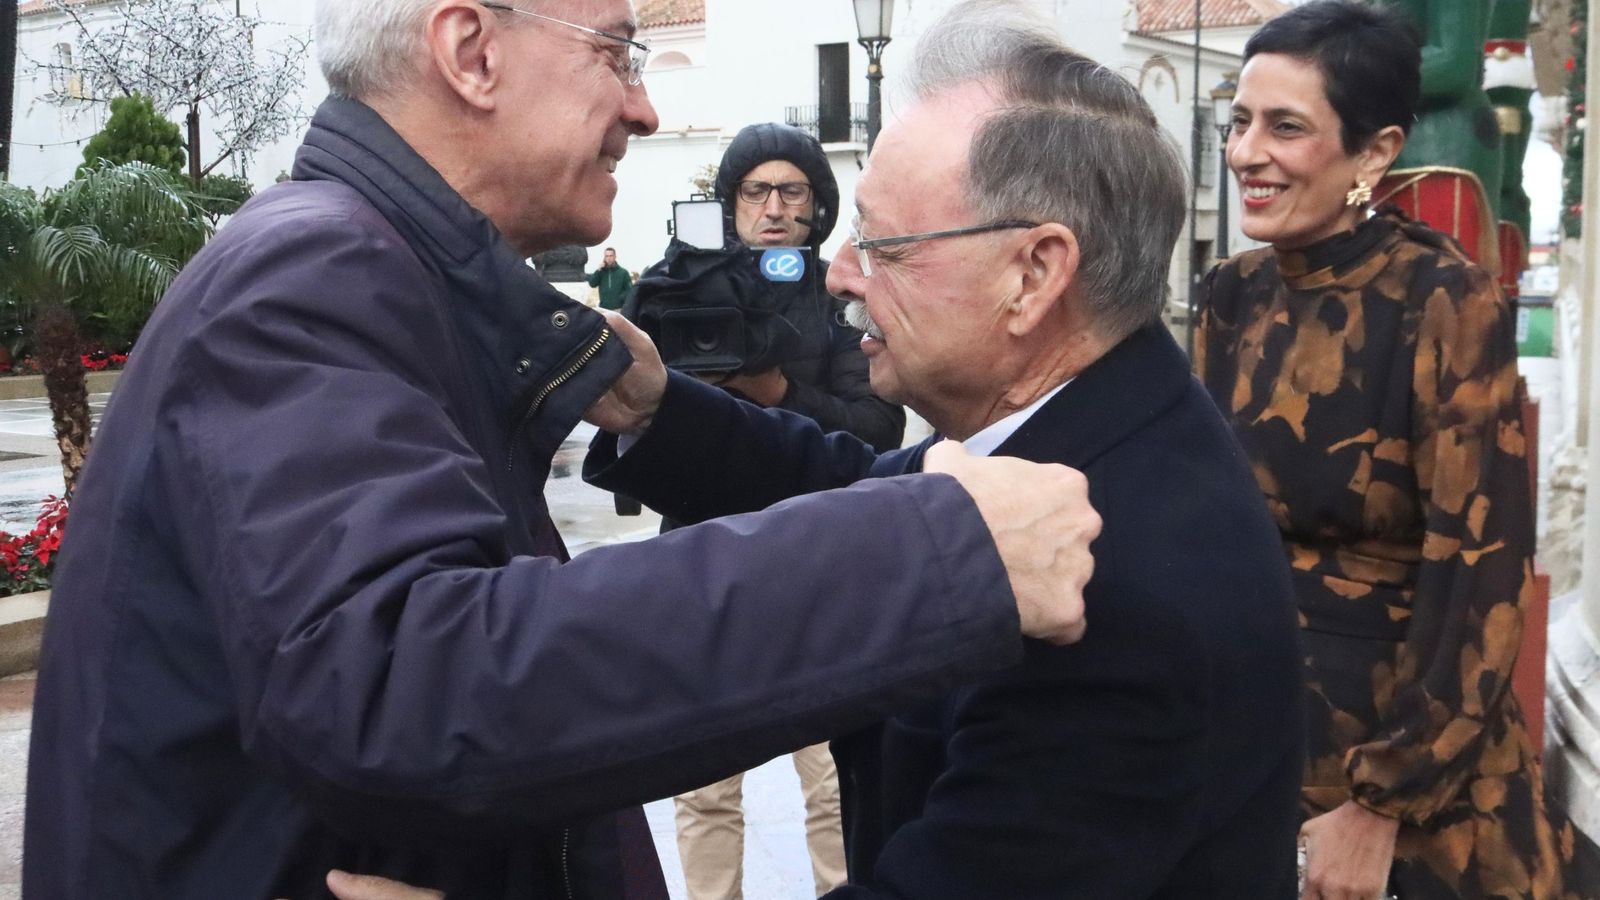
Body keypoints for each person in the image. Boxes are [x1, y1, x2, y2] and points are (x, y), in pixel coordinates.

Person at [20, 0, 1105, 896]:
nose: (643, 103)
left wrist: (653, 407)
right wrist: (926, 556)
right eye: (616, 50)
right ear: (471, 51)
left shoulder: (382, 271)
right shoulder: (313, 276)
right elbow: (405, 681)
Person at [579, 2, 1306, 895]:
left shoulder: (1117, 600)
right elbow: (860, 485)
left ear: (1033, 274)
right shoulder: (1082, 426)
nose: (842, 272)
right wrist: (657, 407)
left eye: (884, 245)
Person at [1195, 2, 1578, 897]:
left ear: (1375, 152)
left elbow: (1479, 571)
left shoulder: (1440, 297)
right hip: (1256, 750)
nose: (1248, 152)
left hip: (1413, 774)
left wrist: (1384, 799)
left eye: (1287, 127)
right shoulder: (1231, 294)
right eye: (1241, 121)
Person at [664, 123, 903, 900]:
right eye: (755, 191)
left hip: (821, 564)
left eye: (791, 190)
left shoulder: (841, 295)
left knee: (836, 775)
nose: (773, 207)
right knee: (704, 784)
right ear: (729, 205)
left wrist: (776, 395)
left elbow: (877, 428)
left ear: (816, 205)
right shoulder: (686, 292)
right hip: (705, 559)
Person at [587, 245, 633, 309]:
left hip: (618, 309)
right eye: (606, 256)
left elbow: (629, 290)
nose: (608, 258)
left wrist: (620, 299)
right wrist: (598, 270)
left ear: (615, 257)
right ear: (604, 257)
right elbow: (592, 284)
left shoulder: (623, 272)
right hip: (604, 309)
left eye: (611, 256)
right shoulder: (601, 272)